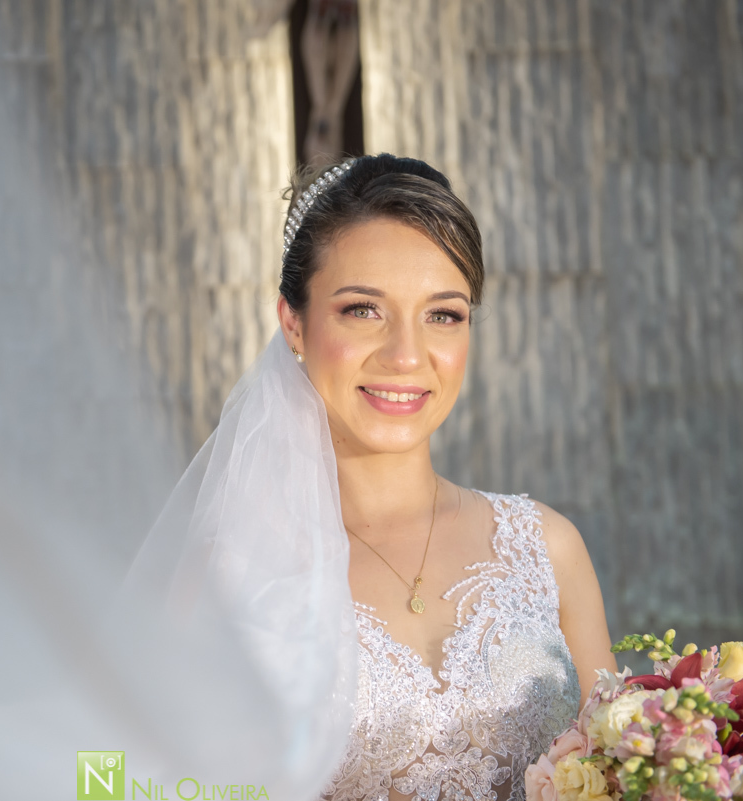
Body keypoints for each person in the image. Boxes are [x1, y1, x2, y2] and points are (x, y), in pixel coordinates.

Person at [129, 153, 618, 801]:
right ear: (293, 323)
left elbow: (624, 767)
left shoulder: (549, 547)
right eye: (363, 309)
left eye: (443, 313)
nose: (406, 355)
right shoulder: (228, 573)